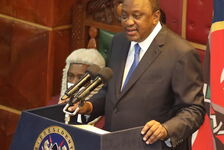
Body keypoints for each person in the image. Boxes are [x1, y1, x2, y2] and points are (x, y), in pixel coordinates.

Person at [67, 0, 205, 149]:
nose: (128, 22)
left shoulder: (181, 53)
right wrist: (89, 106)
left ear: (155, 16)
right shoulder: (119, 41)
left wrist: (165, 129)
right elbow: (112, 92)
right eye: (124, 16)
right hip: (111, 143)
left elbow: (194, 110)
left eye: (137, 16)